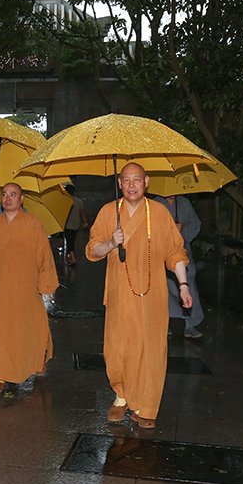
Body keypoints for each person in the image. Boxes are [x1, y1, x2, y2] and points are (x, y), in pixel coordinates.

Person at [86, 163, 192, 429]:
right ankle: (122, 395)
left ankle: (147, 406)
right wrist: (111, 242)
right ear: (119, 184)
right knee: (118, 349)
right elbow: (92, 251)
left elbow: (175, 252)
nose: (131, 184)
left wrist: (183, 285)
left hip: (152, 297)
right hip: (120, 296)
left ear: (147, 182)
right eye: (126, 180)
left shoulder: (159, 213)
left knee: (151, 350)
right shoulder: (109, 212)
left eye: (137, 179)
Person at [0, 182, 59, 394]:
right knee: (3, 329)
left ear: (22, 199)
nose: (8, 198)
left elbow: (44, 255)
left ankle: (38, 360)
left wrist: (45, 283)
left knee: (35, 324)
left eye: (13, 194)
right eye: (4, 195)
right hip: (2, 285)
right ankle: (1, 374)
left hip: (28, 284)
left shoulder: (33, 223)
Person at [159, 195, 204, 338]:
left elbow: (195, 224)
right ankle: (164, 323)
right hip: (161, 252)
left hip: (182, 251)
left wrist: (182, 228)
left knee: (188, 285)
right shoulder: (154, 204)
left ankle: (190, 325)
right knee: (163, 290)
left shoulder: (184, 203)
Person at [63, 183, 89, 265]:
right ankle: (71, 257)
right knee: (72, 241)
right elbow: (82, 213)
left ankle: (72, 258)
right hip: (76, 225)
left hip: (67, 225)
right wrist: (85, 222)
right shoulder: (79, 202)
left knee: (69, 241)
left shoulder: (64, 201)